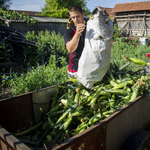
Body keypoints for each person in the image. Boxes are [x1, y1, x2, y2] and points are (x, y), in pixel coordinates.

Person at [64, 5, 86, 78]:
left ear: (82, 14)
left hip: (89, 67)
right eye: (73, 17)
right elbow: (70, 49)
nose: (76, 19)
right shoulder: (69, 32)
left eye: (78, 16)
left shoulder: (90, 28)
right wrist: (77, 34)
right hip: (75, 69)